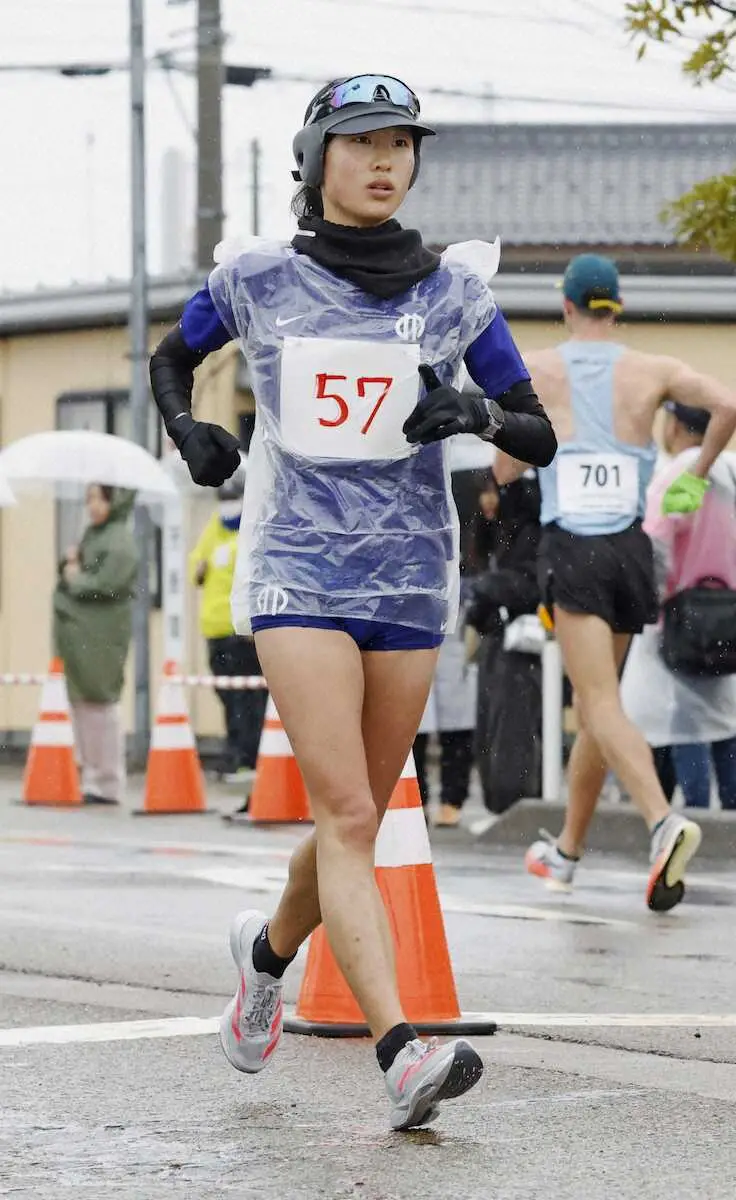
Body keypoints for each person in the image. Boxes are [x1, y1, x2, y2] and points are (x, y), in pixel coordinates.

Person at [149, 74, 556, 1130]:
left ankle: (265, 954)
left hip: (410, 580)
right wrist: (193, 433)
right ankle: (401, 1052)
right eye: (361, 142)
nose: (385, 161)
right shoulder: (259, 279)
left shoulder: (452, 294)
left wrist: (475, 408)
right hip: (297, 574)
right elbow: (172, 356)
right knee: (341, 812)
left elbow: (535, 431)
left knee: (359, 821)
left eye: (401, 145)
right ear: (316, 156)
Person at [494, 253, 736, 911]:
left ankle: (663, 823)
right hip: (632, 552)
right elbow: (727, 404)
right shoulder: (651, 370)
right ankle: (567, 852)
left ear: (567, 306)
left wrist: (507, 464)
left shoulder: (539, 368)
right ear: (615, 305)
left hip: (574, 545)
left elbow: (508, 465)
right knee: (596, 706)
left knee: (599, 702)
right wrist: (695, 470)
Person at [620, 401, 736, 811]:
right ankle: (732, 820)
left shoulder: (676, 473)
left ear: (676, 425)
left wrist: (647, 598)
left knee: (681, 725)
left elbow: (655, 544)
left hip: (679, 615)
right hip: (728, 612)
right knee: (725, 720)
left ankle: (697, 817)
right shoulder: (731, 469)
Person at [466, 469, 543, 825]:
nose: (488, 500)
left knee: (512, 726)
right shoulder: (493, 535)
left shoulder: (527, 534)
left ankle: (513, 805)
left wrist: (484, 588)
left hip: (522, 644)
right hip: (497, 641)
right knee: (491, 725)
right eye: (484, 491)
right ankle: (500, 803)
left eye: (495, 491)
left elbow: (529, 585)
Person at [53, 485, 139, 805]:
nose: (92, 505)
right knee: (85, 706)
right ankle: (93, 777)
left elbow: (106, 583)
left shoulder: (119, 540)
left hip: (102, 636)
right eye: (88, 498)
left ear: (112, 499)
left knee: (101, 706)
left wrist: (74, 577)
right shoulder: (94, 534)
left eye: (98, 498)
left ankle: (107, 781)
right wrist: (70, 563)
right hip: (85, 635)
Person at [189, 469, 267, 784]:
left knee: (248, 698)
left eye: (233, 499)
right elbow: (197, 563)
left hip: (242, 632)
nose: (227, 506)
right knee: (227, 695)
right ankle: (235, 752)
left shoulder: (252, 530)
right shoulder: (215, 529)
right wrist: (200, 566)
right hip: (215, 628)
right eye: (223, 499)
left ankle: (249, 756)